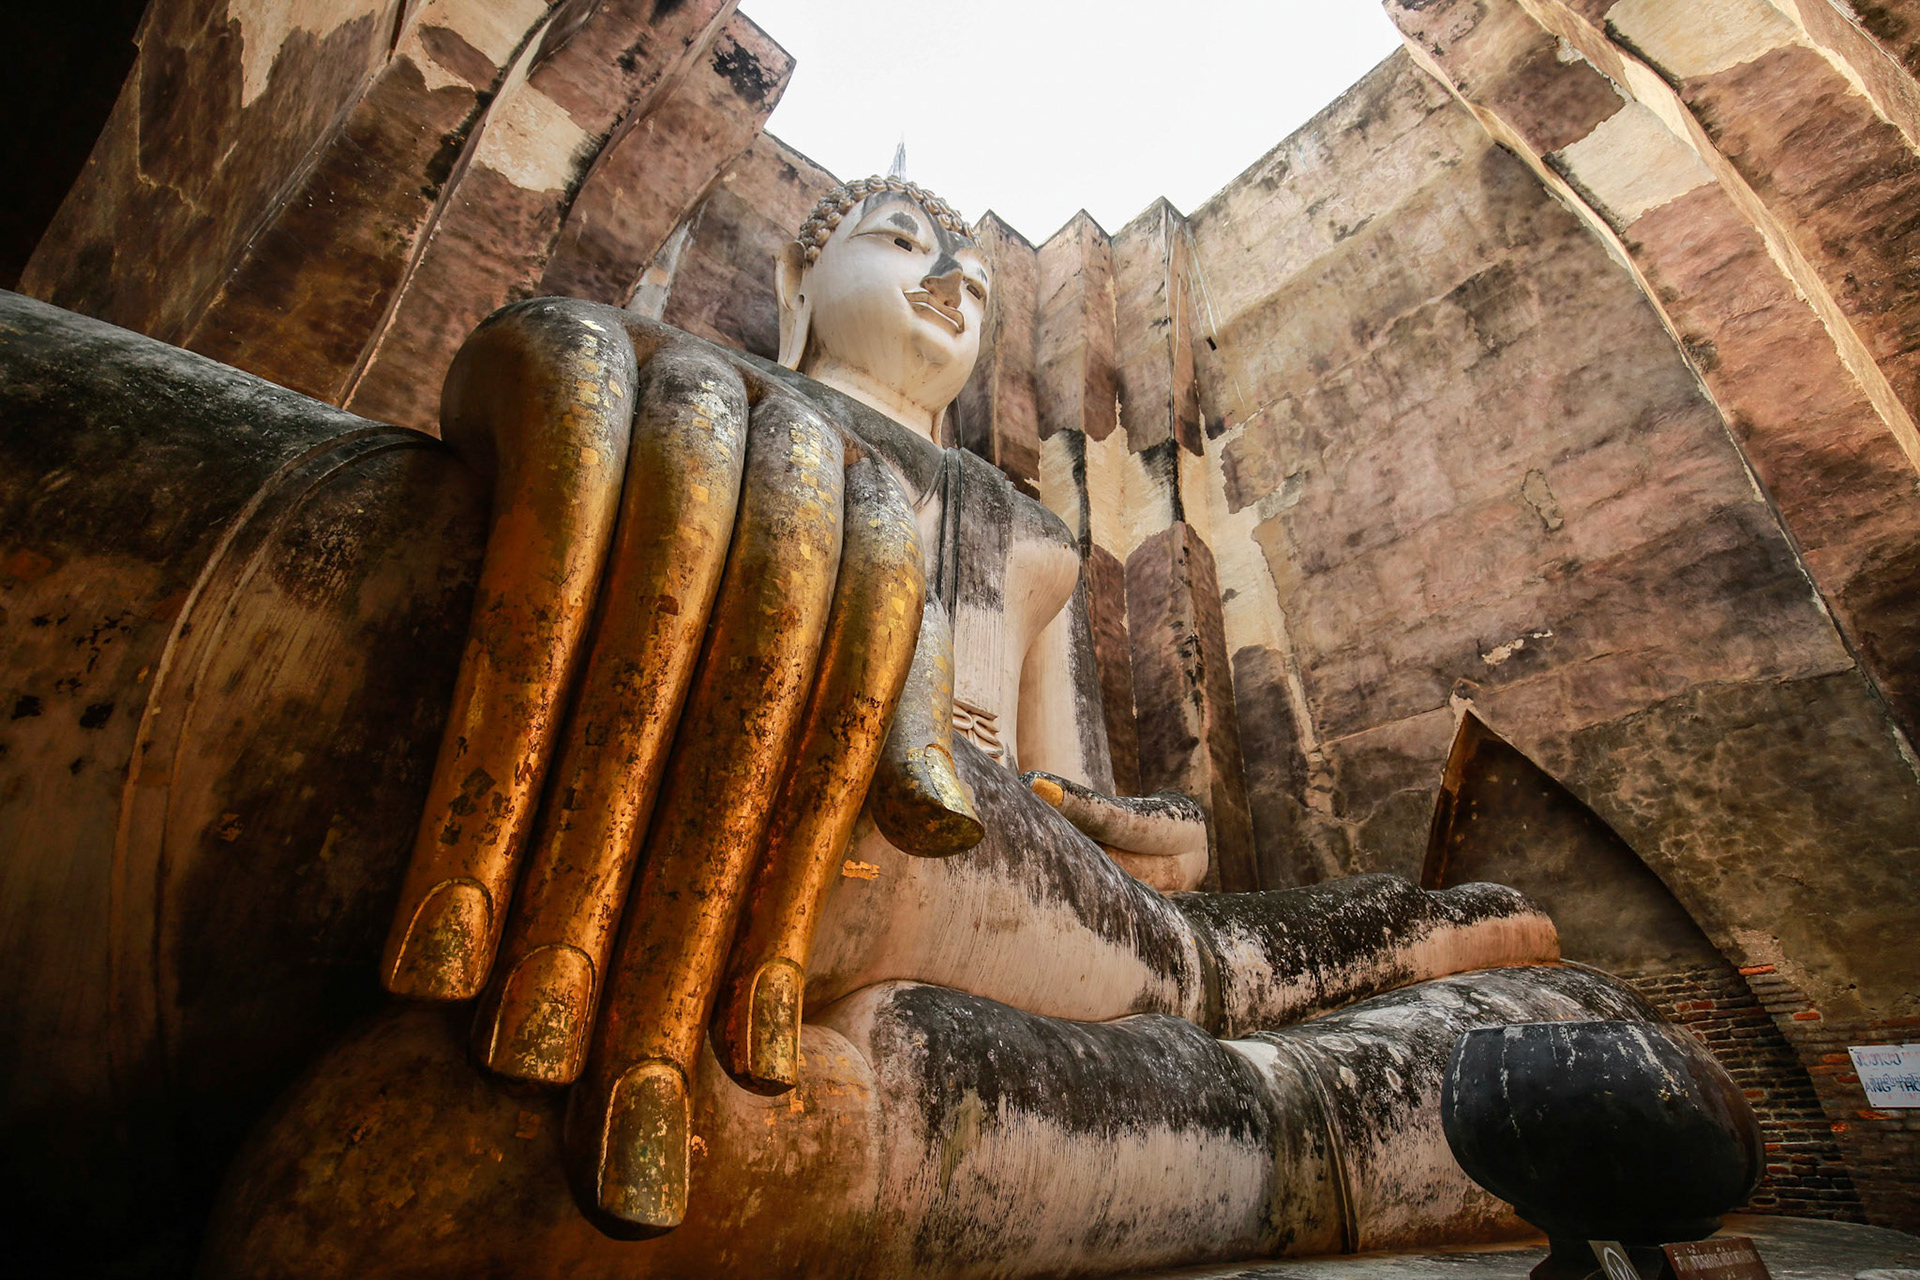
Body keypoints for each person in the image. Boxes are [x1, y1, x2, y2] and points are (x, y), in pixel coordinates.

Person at [200, 178, 1658, 1278]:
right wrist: (564, 377)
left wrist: (1128, 826)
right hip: (789, 812)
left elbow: (1082, 795)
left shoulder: (1026, 535)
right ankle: (1295, 1091)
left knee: (1243, 937)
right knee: (922, 888)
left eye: (968, 257)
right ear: (798, 267)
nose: (953, 271)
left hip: (999, 856)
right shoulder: (703, 394)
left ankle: (1308, 1005)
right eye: (903, 235)